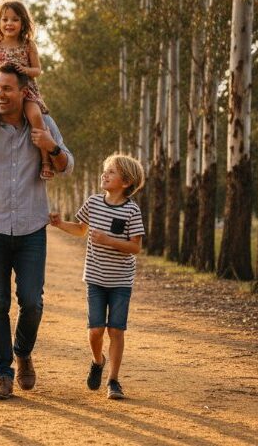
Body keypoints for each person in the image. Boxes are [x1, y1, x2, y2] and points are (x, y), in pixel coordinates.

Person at [0, 62, 74, 400]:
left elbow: (66, 165)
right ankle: (2, 373)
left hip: (31, 228)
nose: (0, 94)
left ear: (24, 92)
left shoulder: (43, 123)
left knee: (32, 302)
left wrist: (51, 146)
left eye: (7, 89)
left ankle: (22, 351)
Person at [49, 153, 146, 400]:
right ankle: (97, 360)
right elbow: (81, 229)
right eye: (105, 170)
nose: (105, 174)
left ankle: (113, 381)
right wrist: (60, 224)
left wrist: (109, 241)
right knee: (95, 330)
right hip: (95, 277)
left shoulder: (132, 211)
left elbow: (136, 247)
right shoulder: (93, 202)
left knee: (116, 330)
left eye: (111, 172)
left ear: (125, 182)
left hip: (121, 280)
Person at [0, 0, 55, 180]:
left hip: (26, 89)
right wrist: (1, 71)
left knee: (36, 117)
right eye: (5, 19)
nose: (10, 23)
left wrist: (25, 70)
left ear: (23, 22)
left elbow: (37, 70)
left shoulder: (28, 45)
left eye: (15, 19)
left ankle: (46, 162)